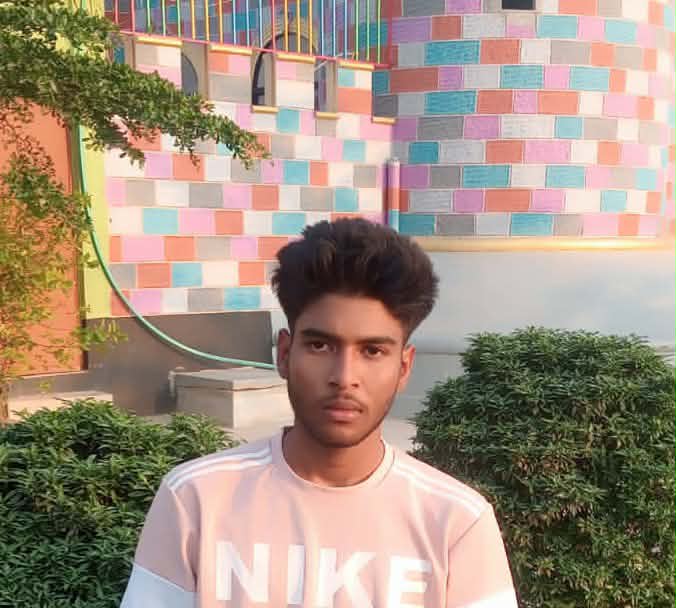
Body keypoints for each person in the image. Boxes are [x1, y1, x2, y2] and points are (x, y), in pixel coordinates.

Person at [120, 218, 517, 608]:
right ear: (284, 354)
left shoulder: (455, 523)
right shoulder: (196, 499)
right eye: (320, 346)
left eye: (372, 351)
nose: (344, 378)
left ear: (404, 367)